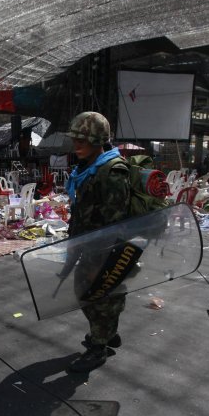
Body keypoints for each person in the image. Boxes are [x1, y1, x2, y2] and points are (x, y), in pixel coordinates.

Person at [64, 111, 131, 373]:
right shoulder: (87, 169)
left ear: (98, 140)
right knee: (90, 293)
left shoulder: (112, 171)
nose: (76, 145)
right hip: (88, 244)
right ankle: (108, 333)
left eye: (83, 140)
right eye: (75, 139)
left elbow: (115, 223)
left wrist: (101, 261)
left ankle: (98, 347)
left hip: (104, 249)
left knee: (96, 296)